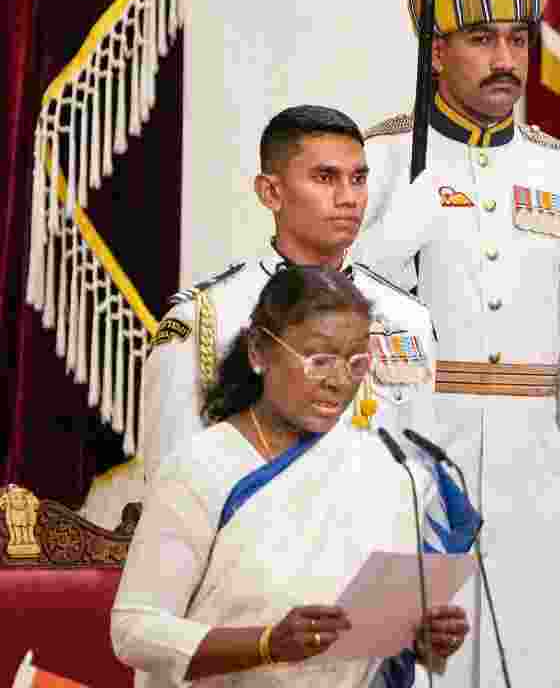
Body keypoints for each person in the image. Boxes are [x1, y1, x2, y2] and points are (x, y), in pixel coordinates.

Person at [355, 0, 560, 688]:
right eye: (479, 38)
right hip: (405, 455)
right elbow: (329, 320)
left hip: (531, 476)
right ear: (436, 53)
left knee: (522, 672)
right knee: (404, 672)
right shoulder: (375, 161)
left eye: (517, 39)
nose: (505, 60)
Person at [112, 266, 472, 687]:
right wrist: (267, 644)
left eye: (356, 363)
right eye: (319, 359)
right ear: (259, 351)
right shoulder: (201, 466)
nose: (339, 381)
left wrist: (422, 639)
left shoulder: (381, 468)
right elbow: (134, 631)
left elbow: (378, 646)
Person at [95, 105, 438, 525]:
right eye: (325, 177)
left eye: (359, 178)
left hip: (372, 575)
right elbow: (173, 494)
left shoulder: (406, 318)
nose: (349, 198)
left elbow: (422, 478)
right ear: (270, 192)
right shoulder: (206, 321)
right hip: (251, 572)